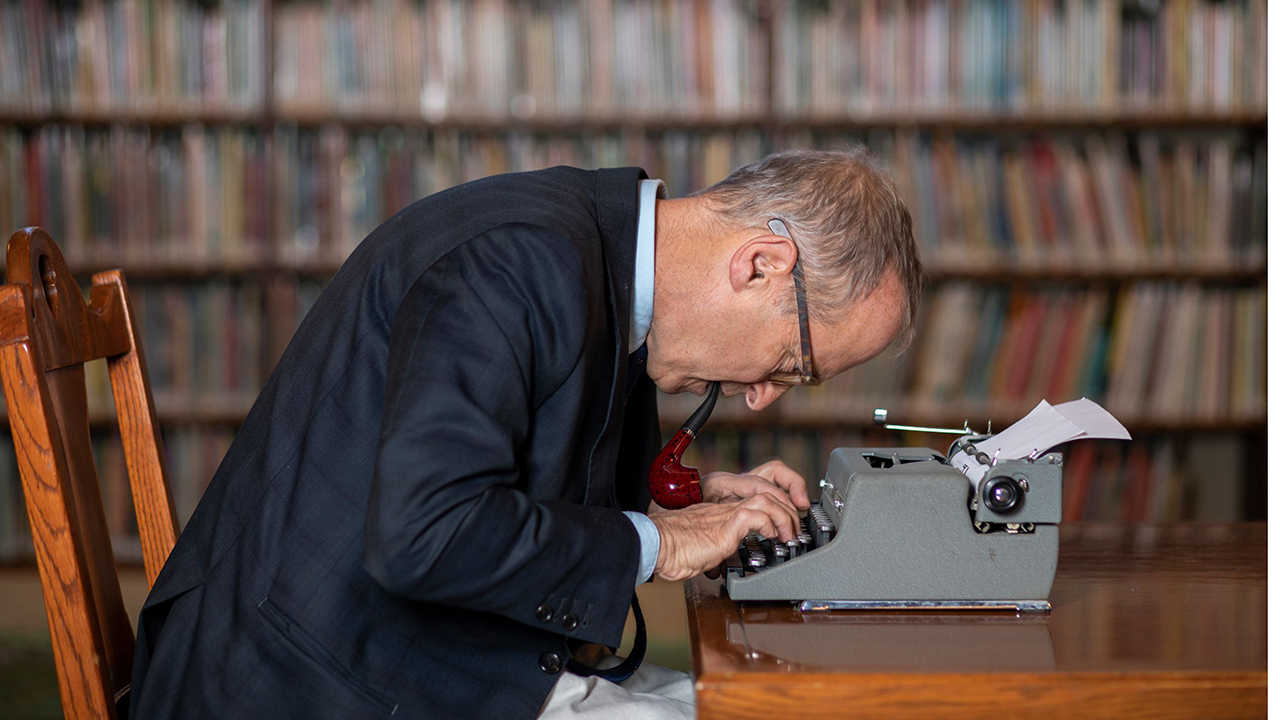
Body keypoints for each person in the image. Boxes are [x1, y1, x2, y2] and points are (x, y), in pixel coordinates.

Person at [128, 149, 922, 720]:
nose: (759, 398)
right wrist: (662, 543)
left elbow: (510, 464)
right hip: (303, 682)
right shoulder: (513, 263)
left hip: (387, 652)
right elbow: (424, 534)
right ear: (760, 265)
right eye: (791, 362)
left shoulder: (586, 246)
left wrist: (687, 499)